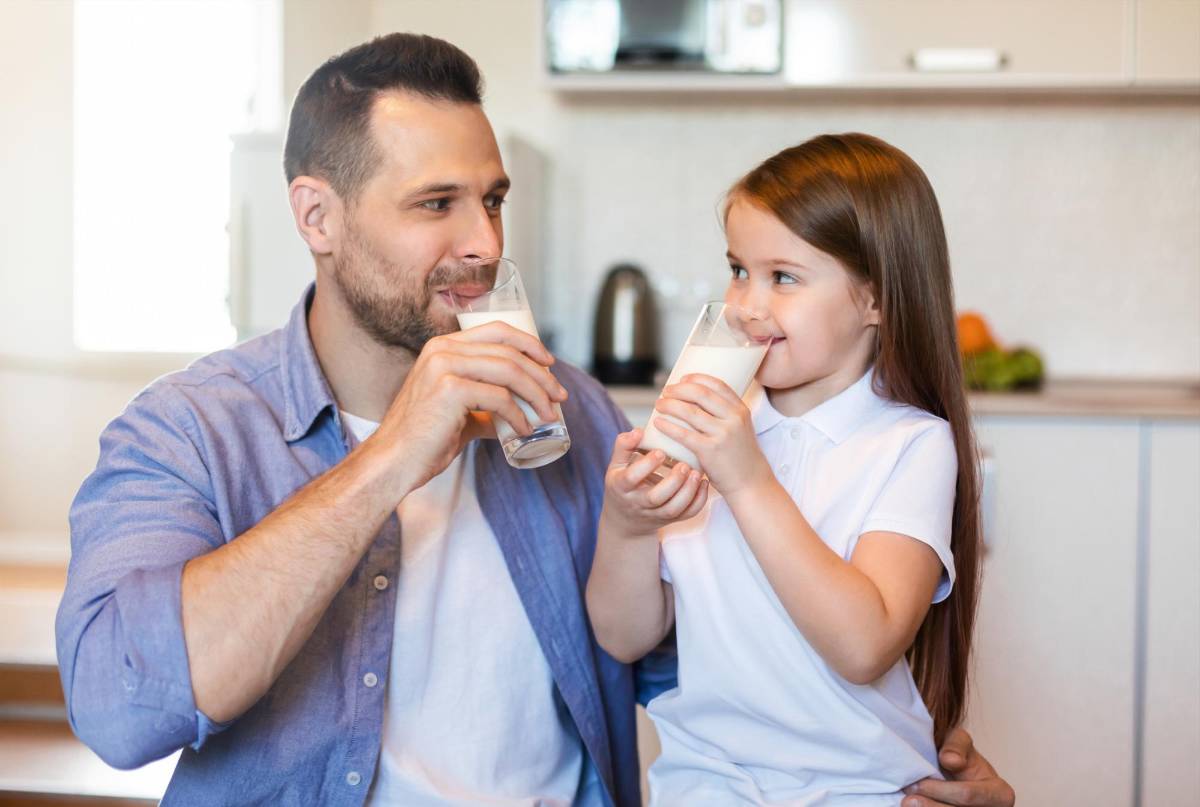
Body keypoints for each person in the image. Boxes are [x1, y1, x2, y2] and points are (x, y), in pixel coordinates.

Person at [55, 32, 1013, 807]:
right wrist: (394, 454)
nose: (484, 242)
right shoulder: (187, 430)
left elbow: (700, 650)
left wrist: (903, 761)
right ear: (318, 217)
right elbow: (118, 709)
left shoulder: (576, 413)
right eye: (438, 203)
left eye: (494, 200)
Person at [587, 133, 1003, 807]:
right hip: (706, 782)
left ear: (874, 300)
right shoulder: (711, 423)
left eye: (782, 277)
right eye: (738, 269)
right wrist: (627, 524)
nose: (746, 305)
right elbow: (625, 636)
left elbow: (864, 642)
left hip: (858, 787)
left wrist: (748, 479)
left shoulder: (909, 445)